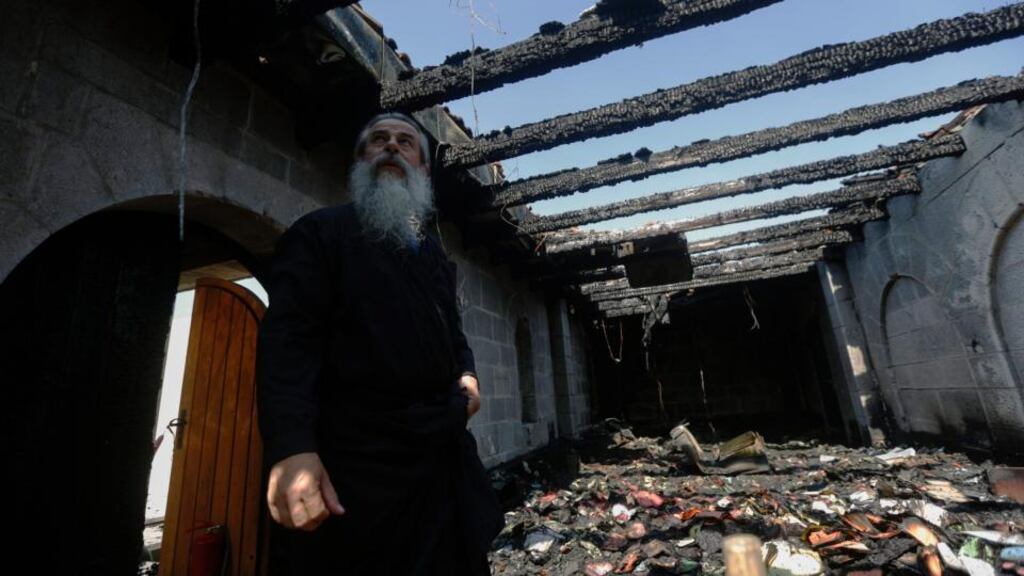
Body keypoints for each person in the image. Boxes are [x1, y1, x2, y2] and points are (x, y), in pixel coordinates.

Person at [256, 112, 503, 575]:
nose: (392, 146)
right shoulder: (321, 234)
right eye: (379, 140)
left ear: (423, 170)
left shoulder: (433, 257)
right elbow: (289, 342)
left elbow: (453, 333)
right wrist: (291, 448)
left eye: (406, 142)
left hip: (439, 464)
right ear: (360, 161)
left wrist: (467, 374)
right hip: (359, 473)